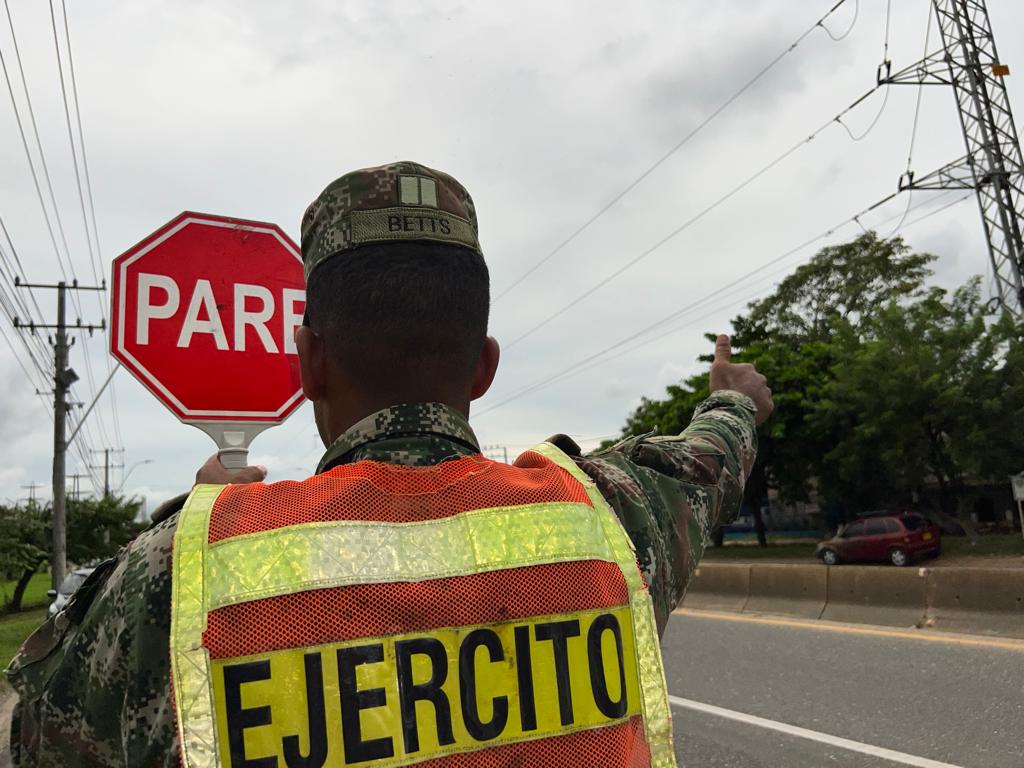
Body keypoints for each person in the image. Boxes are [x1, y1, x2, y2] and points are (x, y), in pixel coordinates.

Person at [6, 161, 771, 767]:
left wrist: (188, 531)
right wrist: (733, 398)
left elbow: (40, 740)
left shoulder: (182, 575)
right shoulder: (611, 517)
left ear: (309, 362)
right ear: (484, 368)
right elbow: (710, 458)